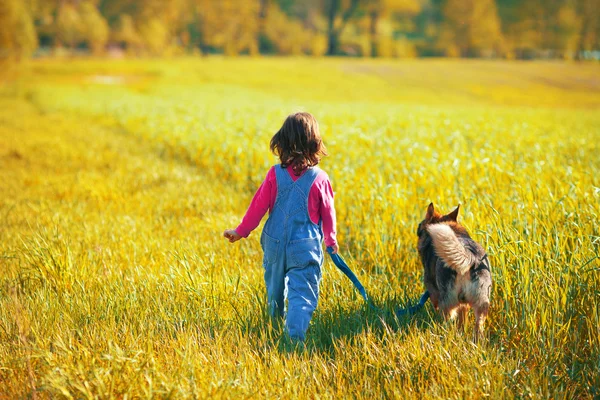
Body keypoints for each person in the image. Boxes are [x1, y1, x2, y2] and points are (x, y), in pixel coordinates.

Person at [223, 112, 338, 342]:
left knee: (274, 291)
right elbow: (328, 213)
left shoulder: (274, 174)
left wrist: (241, 231)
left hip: (274, 243)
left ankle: (273, 328)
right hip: (304, 247)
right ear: (315, 144)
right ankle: (293, 338)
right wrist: (330, 240)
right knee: (302, 293)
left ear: (282, 142)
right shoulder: (320, 178)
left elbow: (258, 206)